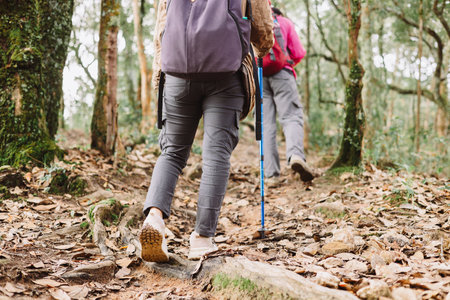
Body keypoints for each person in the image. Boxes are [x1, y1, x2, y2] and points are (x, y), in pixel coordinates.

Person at [139, 0, 274, 262]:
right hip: (226, 75)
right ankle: (202, 238)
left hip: (177, 73)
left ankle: (154, 217)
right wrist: (263, 46)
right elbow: (263, 28)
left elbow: (162, 28)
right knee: (216, 156)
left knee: (172, 153)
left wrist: (161, 73)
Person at [263, 7, 316, 182]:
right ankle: (295, 156)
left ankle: (271, 175)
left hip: (259, 76)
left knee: (266, 124)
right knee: (291, 116)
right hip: (283, 75)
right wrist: (288, 63)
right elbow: (299, 52)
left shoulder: (252, 20)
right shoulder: (285, 23)